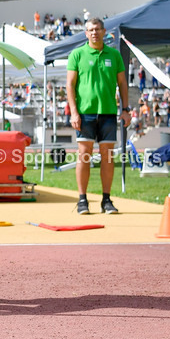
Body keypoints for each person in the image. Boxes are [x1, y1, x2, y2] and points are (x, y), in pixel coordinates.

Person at [67, 18, 130, 215]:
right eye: (90, 30)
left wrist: (126, 109)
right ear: (86, 33)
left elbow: (122, 84)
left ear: (104, 32)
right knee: (84, 157)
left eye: (97, 29)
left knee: (107, 158)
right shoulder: (77, 54)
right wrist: (74, 112)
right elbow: (69, 85)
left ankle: (106, 200)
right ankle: (82, 200)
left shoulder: (114, 55)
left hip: (109, 112)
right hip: (85, 113)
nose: (94, 33)